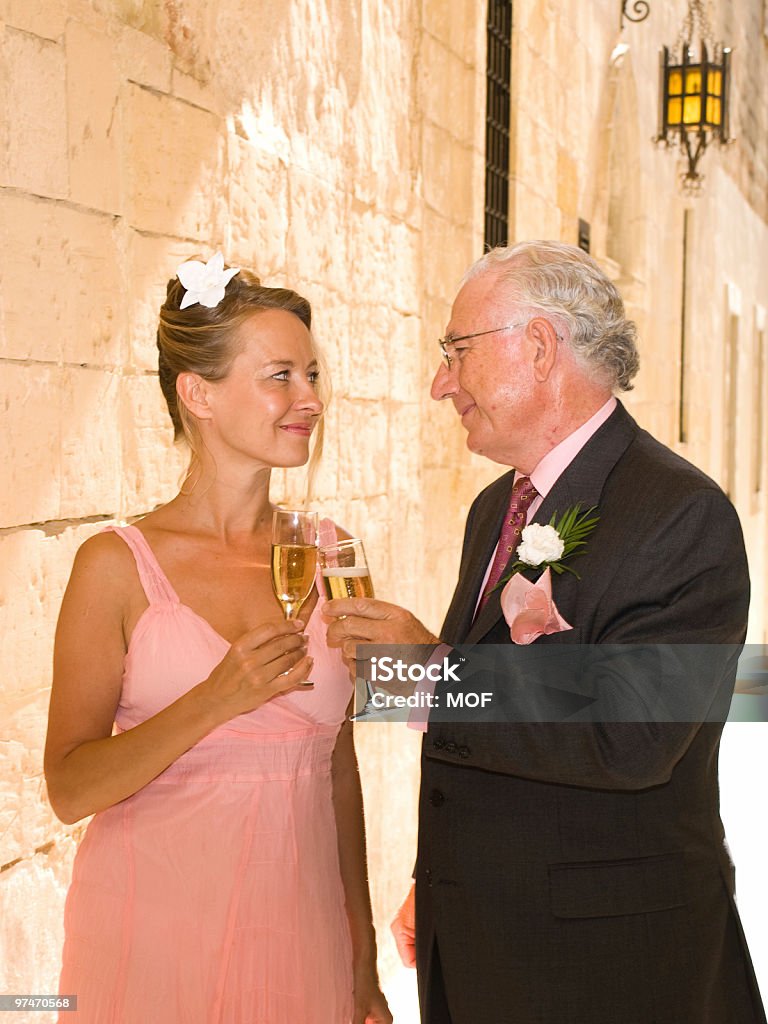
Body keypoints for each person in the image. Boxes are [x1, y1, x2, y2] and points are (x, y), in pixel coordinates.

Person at [326, 240, 766, 1023]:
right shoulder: (494, 509)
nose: (440, 384)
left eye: (455, 351)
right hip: (480, 941)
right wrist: (445, 879)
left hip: (612, 970)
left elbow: (631, 734)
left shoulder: (681, 514)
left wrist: (431, 673)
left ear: (537, 346)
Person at [45, 254, 391, 1024]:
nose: (310, 399)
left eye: (312, 374)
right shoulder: (115, 566)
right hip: (152, 942)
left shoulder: (333, 554)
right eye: (280, 377)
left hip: (301, 940)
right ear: (197, 393)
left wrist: (361, 953)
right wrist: (214, 701)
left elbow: (339, 766)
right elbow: (70, 788)